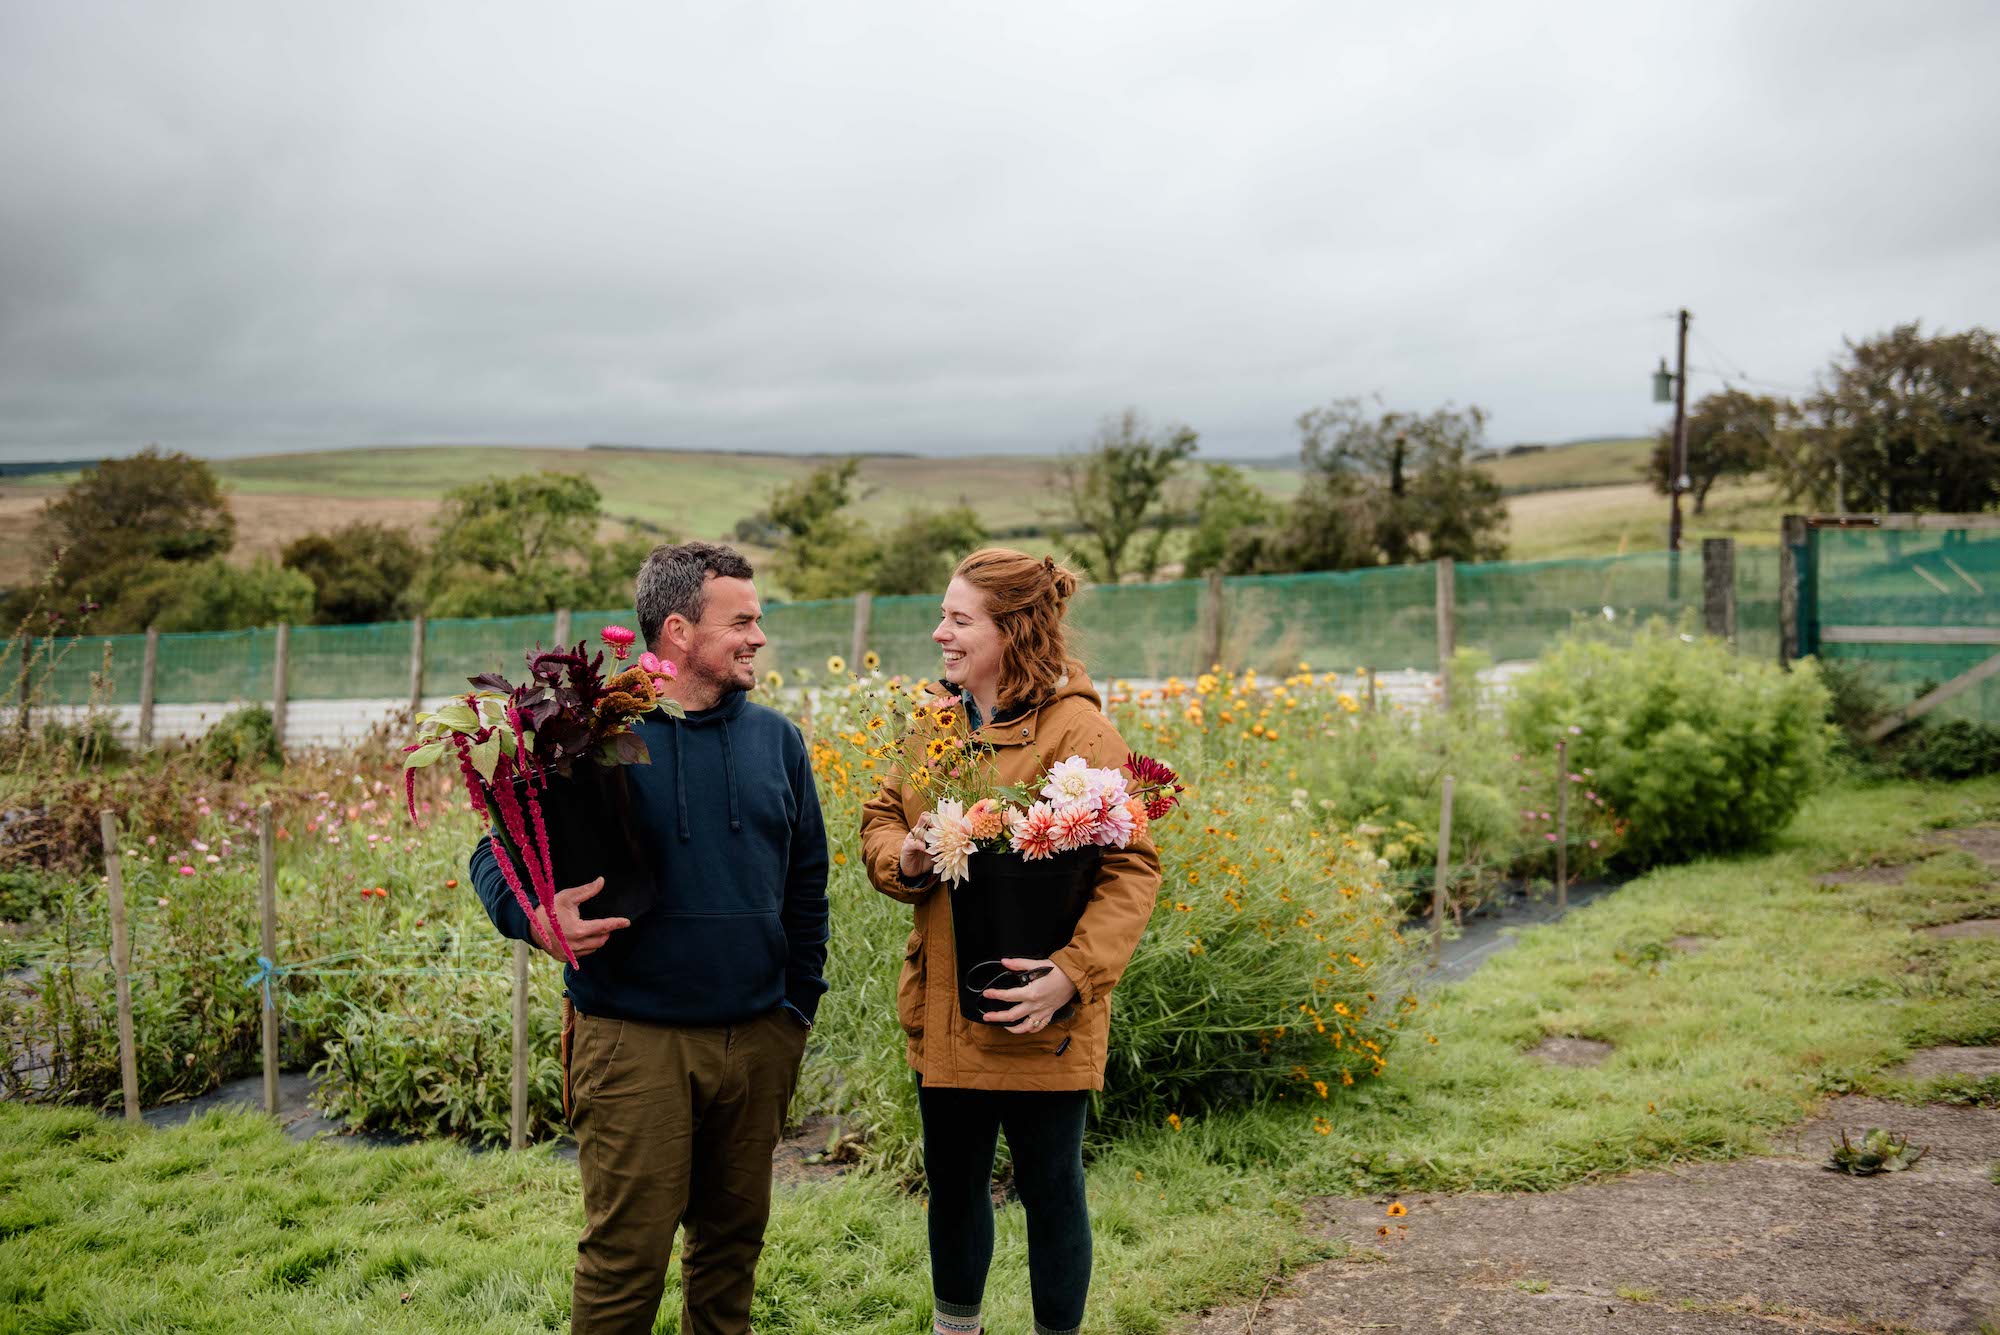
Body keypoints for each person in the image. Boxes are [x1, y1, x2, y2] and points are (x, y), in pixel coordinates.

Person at [469, 540, 829, 1335]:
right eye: (742, 621)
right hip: (634, 1041)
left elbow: (808, 887)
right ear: (677, 630)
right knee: (627, 1260)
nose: (758, 636)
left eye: (758, 619)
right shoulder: (587, 739)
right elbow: (495, 851)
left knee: (732, 1249)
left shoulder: (779, 742)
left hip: (757, 1036)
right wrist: (534, 917)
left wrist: (794, 1011)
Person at [860, 548, 1162, 1335]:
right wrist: (909, 855)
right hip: (947, 1002)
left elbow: (1129, 869)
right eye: (944, 616)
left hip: (1042, 1010)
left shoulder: (1080, 732)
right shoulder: (934, 721)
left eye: (959, 620)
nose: (939, 634)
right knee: (953, 1181)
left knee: (1051, 1183)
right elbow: (880, 819)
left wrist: (1072, 973)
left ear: (1013, 630)